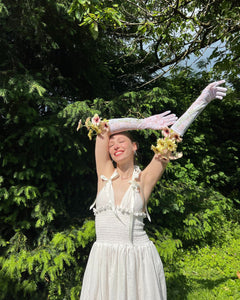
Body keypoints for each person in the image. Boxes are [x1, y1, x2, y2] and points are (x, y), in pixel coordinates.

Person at [79, 80, 227, 300]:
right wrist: (142, 123)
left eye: (121, 142)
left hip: (137, 261)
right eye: (111, 146)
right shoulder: (105, 175)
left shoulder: (144, 179)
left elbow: (171, 138)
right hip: (103, 261)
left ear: (134, 147)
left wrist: (201, 101)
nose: (115, 146)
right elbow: (102, 126)